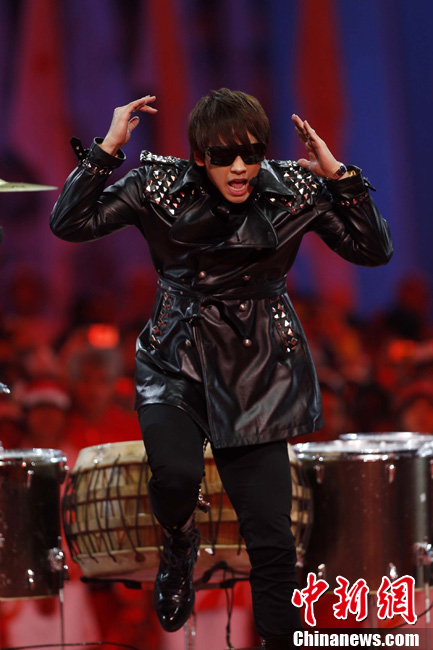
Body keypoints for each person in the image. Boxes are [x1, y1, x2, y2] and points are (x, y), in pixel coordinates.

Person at [50, 89, 393, 649]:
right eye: (223, 156)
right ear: (199, 156)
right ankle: (179, 542)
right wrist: (106, 149)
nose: (239, 168)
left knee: (272, 538)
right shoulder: (157, 186)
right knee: (176, 477)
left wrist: (338, 176)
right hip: (175, 359)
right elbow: (69, 222)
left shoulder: (294, 189)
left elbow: (374, 250)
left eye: (250, 154)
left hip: (259, 372)